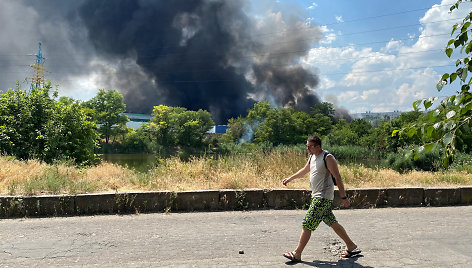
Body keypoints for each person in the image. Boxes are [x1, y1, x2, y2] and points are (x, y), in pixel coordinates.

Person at [282, 135, 361, 262]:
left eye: (309, 146)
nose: (307, 148)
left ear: (317, 146)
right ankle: (351, 246)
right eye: (307, 145)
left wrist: (343, 197)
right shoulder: (312, 156)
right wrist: (289, 179)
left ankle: (297, 253)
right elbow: (305, 170)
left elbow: (338, 177)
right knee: (332, 222)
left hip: (322, 197)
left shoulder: (327, 157)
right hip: (316, 196)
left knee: (307, 224)